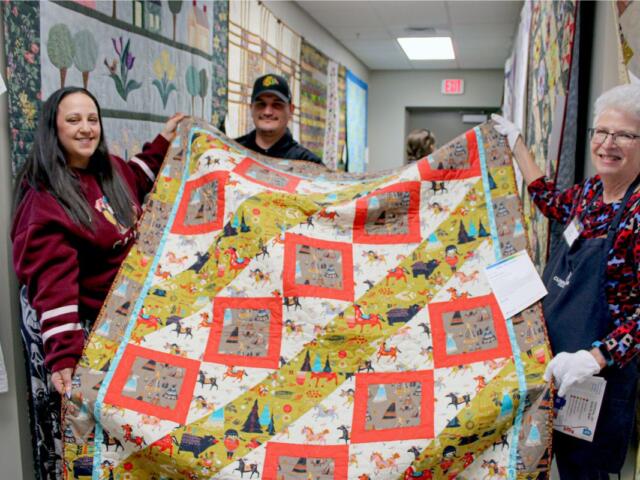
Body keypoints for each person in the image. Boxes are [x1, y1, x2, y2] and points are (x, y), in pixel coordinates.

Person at [492, 83, 640, 479]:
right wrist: (517, 143)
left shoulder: (637, 214)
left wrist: (594, 359)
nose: (608, 143)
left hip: (598, 377)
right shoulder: (592, 193)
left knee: (584, 471)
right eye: (601, 132)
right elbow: (548, 201)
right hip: (558, 363)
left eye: (624, 134)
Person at [11, 86, 185, 397]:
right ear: (54, 128)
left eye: (93, 119)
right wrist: (65, 354)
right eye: (74, 120)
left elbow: (136, 178)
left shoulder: (110, 169)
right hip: (97, 332)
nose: (86, 129)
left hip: (132, 317)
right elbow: (53, 283)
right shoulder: (46, 200)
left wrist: (164, 141)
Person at [235, 73, 323, 164]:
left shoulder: (308, 163)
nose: (267, 112)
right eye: (261, 104)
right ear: (251, 108)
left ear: (291, 110)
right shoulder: (232, 152)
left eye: (277, 105)